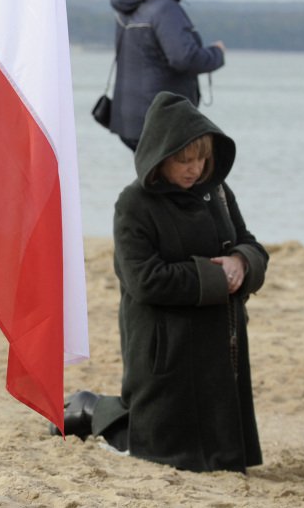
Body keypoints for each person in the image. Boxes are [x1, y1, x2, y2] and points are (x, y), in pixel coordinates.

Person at [52, 92, 268, 474]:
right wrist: (217, 277)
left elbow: (249, 243)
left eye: (202, 158)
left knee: (225, 460)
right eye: (184, 160)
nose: (194, 169)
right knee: (160, 449)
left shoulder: (217, 191)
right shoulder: (133, 203)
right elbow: (145, 280)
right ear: (159, 154)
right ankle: (89, 408)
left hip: (220, 343)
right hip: (163, 343)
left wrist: (241, 262)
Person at [109, 0, 226, 151]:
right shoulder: (165, 8)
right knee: (188, 179)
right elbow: (184, 58)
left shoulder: (130, 6)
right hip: (162, 123)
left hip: (129, 120)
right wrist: (216, 53)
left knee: (153, 182)